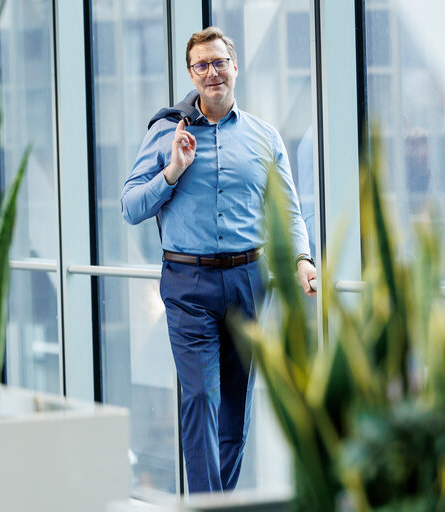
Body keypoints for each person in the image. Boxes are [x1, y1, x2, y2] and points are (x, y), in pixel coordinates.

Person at [120, 26, 316, 493]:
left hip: (250, 280)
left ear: (234, 66)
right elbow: (129, 207)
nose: (212, 73)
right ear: (191, 73)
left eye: (219, 62)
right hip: (189, 283)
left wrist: (303, 259)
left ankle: (215, 502)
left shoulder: (264, 138)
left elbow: (287, 209)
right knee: (200, 397)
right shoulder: (167, 132)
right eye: (201, 65)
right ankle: (210, 505)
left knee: (234, 407)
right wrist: (173, 170)